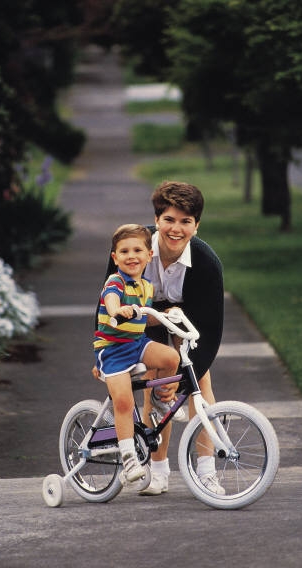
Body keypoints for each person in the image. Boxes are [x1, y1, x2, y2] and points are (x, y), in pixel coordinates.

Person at [102, 181, 225, 496]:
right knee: (155, 384)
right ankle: (158, 472)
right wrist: (105, 350)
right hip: (143, 318)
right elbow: (107, 304)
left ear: (196, 227)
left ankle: (207, 470)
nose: (176, 228)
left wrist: (188, 375)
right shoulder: (133, 248)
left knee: (201, 383)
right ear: (156, 221)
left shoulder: (207, 263)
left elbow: (210, 329)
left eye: (185, 222)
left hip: (187, 316)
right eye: (169, 219)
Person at [93, 223, 180, 486]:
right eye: (124, 251)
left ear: (148, 255)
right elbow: (110, 301)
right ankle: (129, 457)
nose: (131, 256)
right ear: (115, 257)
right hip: (113, 351)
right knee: (124, 402)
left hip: (136, 343)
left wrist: (164, 316)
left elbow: (144, 320)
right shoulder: (115, 282)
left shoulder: (146, 287)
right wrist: (117, 310)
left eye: (137, 250)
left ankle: (159, 399)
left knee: (171, 358)